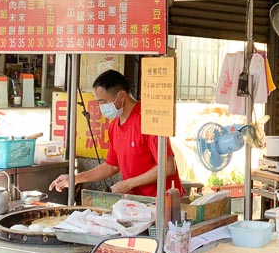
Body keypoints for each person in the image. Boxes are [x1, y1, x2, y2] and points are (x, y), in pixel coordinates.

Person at [49, 69, 182, 197]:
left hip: (163, 201)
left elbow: (168, 166)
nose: (100, 107)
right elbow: (111, 166)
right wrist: (76, 178)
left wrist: (129, 184)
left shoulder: (148, 120)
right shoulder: (114, 126)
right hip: (136, 202)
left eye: (103, 101)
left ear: (121, 96)